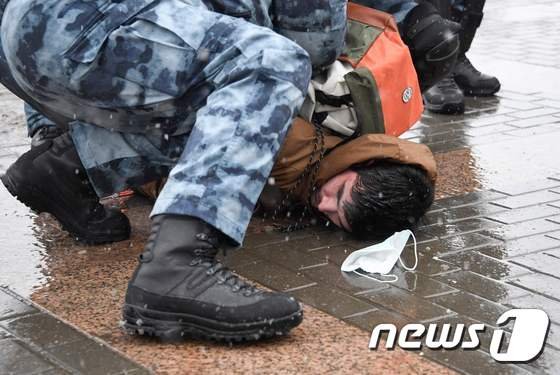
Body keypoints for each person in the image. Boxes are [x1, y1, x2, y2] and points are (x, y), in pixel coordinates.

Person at [0, 0, 345, 341]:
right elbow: (313, 40)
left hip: (24, 37)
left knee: (213, 110)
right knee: (272, 63)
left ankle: (63, 167)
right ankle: (177, 266)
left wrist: (46, 126)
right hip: (90, 23)